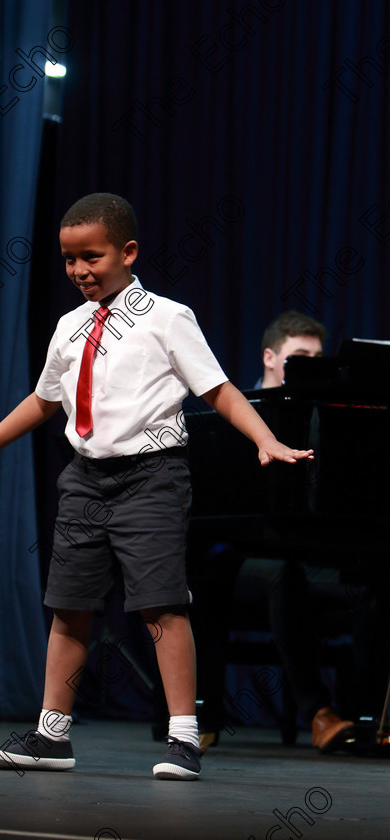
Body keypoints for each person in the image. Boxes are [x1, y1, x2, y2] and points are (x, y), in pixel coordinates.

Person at [0, 194, 313, 780]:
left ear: (127, 253)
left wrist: (264, 438)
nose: (79, 270)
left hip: (152, 477)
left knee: (161, 604)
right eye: (69, 259)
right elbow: (44, 399)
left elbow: (220, 389)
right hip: (85, 479)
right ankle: (52, 734)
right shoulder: (69, 326)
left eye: (92, 257)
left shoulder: (166, 317)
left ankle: (184, 738)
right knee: (69, 606)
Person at [194, 311, 366, 754]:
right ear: (271, 358)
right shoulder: (235, 414)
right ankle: (319, 712)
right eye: (299, 356)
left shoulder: (328, 419)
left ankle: (366, 717)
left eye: (317, 357)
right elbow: (212, 513)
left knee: (371, 583)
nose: (311, 364)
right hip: (236, 558)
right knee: (280, 576)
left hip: (305, 553)